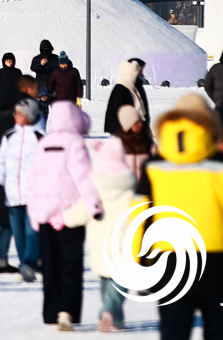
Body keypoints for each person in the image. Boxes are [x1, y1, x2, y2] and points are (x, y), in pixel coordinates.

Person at [138, 93, 223, 340]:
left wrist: (141, 261)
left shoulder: (153, 167)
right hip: (216, 259)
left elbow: (140, 216)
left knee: (173, 330)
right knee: (219, 330)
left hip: (169, 259)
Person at [27, 100, 102, 329]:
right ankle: (66, 311)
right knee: (70, 264)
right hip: (69, 215)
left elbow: (33, 180)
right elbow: (84, 177)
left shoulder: (43, 143)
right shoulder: (75, 142)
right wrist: (94, 206)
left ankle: (51, 312)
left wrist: (34, 214)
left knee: (50, 265)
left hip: (45, 216)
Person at [89, 104, 147, 332]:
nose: (139, 124)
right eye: (135, 121)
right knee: (114, 270)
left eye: (140, 120)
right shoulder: (115, 148)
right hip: (128, 205)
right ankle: (111, 313)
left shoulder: (147, 144)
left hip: (139, 202)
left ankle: (113, 314)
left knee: (115, 268)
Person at [0, 96, 45, 282]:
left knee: (32, 232)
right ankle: (25, 265)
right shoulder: (9, 136)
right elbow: (1, 162)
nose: (15, 116)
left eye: (20, 114)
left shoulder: (41, 138)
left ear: (29, 116)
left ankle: (30, 263)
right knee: (19, 233)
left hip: (33, 196)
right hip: (12, 195)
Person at [0, 52, 26, 149]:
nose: (9, 63)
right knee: (2, 116)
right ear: (4, 62)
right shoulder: (1, 72)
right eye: (7, 61)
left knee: (13, 116)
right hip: (3, 99)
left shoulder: (17, 72)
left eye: (11, 61)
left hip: (14, 99)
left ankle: (13, 133)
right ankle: (3, 132)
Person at [104, 57, 150, 136]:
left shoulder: (136, 87)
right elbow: (121, 112)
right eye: (140, 71)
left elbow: (144, 108)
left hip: (135, 130)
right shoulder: (120, 89)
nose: (142, 74)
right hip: (122, 131)